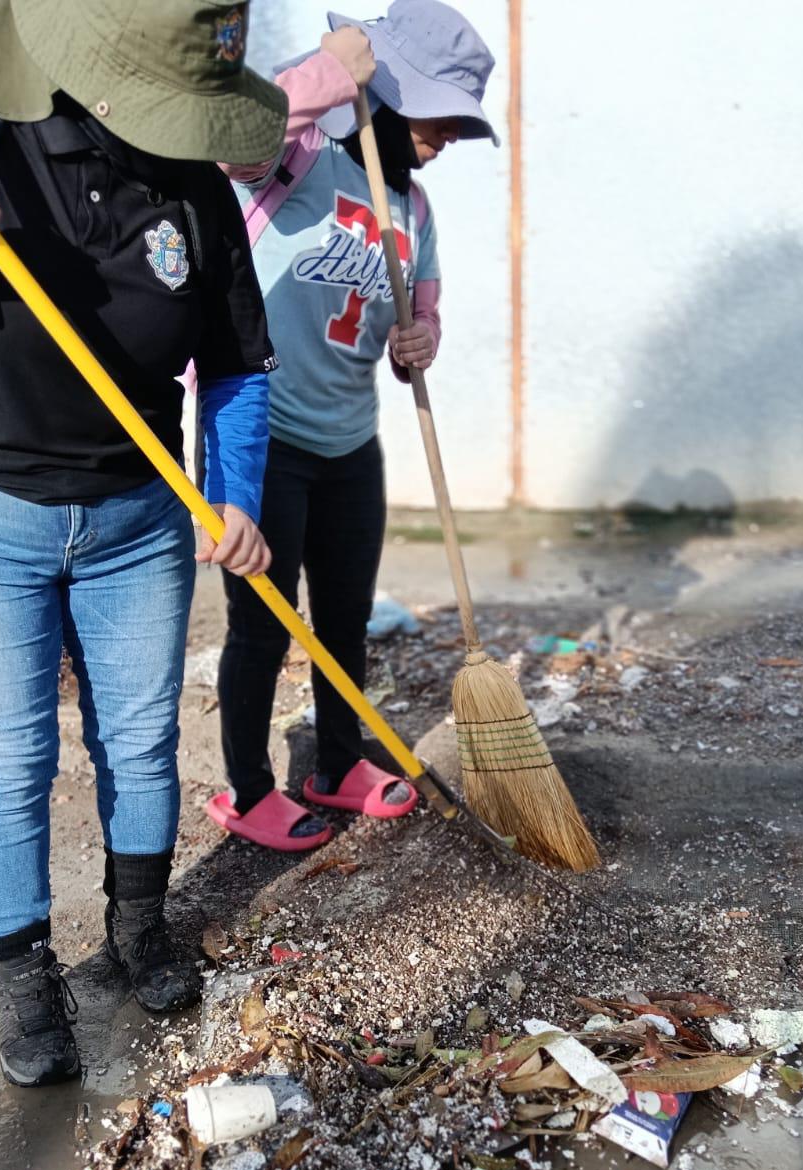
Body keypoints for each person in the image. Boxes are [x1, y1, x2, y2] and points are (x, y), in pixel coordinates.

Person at [0, 0, 285, 1087]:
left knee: (138, 742)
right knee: (9, 761)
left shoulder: (189, 172)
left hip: (138, 518)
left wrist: (232, 495)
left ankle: (140, 928)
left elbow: (236, 362)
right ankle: (25, 971)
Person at [204, 0, 498, 851]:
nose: (446, 140)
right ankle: (250, 788)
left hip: (349, 441)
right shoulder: (296, 156)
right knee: (262, 623)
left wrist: (421, 341)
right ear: (392, 95)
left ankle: (333, 765)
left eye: (458, 127)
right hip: (263, 432)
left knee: (345, 617)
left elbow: (423, 324)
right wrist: (335, 69)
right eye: (440, 119)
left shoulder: (418, 215)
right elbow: (232, 134)